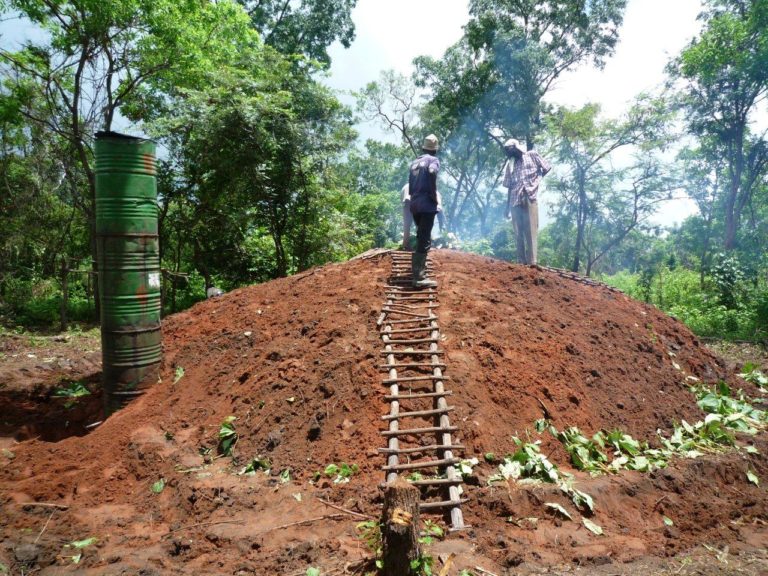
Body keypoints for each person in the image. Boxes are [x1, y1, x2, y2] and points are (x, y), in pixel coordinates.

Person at [503, 138, 551, 265]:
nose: (507, 154)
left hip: (530, 196)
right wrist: (507, 208)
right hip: (515, 200)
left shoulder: (532, 155)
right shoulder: (510, 164)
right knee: (518, 232)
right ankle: (521, 261)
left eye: (508, 150)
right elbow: (509, 187)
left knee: (531, 230)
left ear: (515, 148)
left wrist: (536, 181)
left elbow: (546, 167)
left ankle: (532, 262)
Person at [408, 134, 441, 288]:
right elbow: (433, 172)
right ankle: (419, 278)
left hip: (414, 204)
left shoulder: (414, 162)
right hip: (427, 204)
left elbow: (410, 185)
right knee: (424, 239)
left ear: (423, 147)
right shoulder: (433, 160)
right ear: (435, 150)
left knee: (420, 235)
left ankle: (417, 272)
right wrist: (434, 195)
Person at [401, 184, 445, 251]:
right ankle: (406, 243)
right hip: (410, 202)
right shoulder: (409, 186)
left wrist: (441, 228)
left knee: (422, 226)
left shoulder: (436, 193)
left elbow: (440, 210)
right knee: (410, 223)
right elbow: (407, 202)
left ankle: (420, 244)